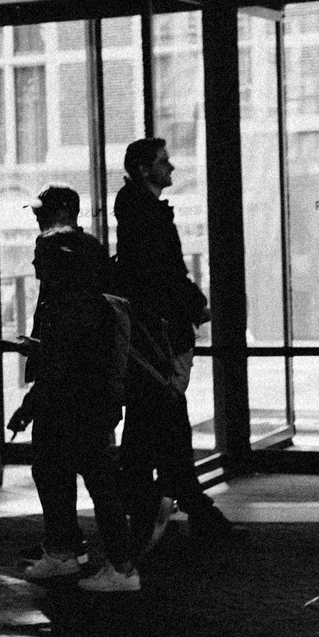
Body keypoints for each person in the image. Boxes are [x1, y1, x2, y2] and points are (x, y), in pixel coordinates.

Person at [112, 138, 242, 550]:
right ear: (143, 168)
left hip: (154, 333)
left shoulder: (137, 209)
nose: (172, 169)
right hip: (159, 335)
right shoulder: (144, 213)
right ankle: (182, 506)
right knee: (164, 420)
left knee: (151, 424)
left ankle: (162, 505)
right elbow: (161, 272)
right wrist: (193, 303)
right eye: (164, 163)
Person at [6, 189, 137, 592]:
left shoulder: (66, 297)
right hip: (89, 396)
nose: (33, 262)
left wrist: (32, 400)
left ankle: (113, 565)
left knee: (83, 475)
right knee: (72, 471)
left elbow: (61, 359)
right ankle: (84, 556)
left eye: (40, 257)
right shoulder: (87, 289)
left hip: (73, 398)